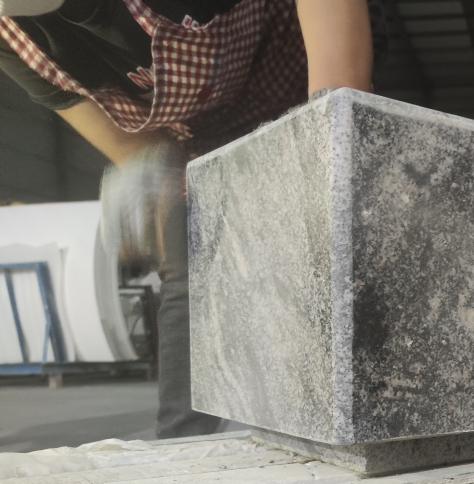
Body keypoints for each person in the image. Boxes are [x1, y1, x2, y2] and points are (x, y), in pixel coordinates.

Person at [0, 0, 386, 436]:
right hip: (199, 132)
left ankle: (361, 419)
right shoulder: (13, 34)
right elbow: (141, 150)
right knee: (187, 260)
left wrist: (331, 127)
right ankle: (182, 441)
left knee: (334, 248)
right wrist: (148, 171)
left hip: (300, 66)